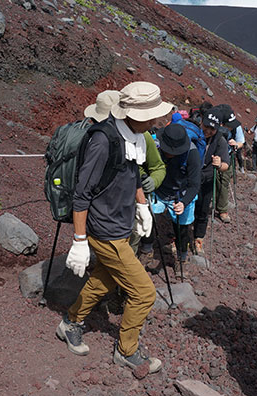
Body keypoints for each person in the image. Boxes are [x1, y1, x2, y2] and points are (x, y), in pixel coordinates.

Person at [57, 81, 173, 374]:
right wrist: (80, 240)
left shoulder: (135, 135)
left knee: (104, 281)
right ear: (132, 113)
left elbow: (133, 174)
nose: (156, 120)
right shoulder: (103, 140)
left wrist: (142, 205)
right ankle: (127, 351)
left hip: (120, 225)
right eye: (152, 114)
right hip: (104, 231)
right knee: (144, 292)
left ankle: (70, 322)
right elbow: (82, 193)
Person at [85, 90, 167, 256]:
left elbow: (158, 167)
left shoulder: (143, 137)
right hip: (100, 209)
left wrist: (153, 181)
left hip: (130, 205)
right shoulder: (95, 136)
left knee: (128, 249)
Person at [151, 123, 201, 263]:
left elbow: (194, 184)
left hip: (181, 194)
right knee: (147, 221)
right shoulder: (155, 146)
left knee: (182, 228)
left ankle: (181, 257)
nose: (169, 154)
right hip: (159, 190)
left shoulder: (192, 154)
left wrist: (183, 203)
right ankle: (147, 249)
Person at [192, 110, 230, 254]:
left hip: (206, 179)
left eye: (212, 128)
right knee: (186, 208)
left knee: (202, 210)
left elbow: (226, 165)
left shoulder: (220, 141)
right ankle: (179, 239)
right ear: (201, 121)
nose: (207, 130)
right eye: (206, 126)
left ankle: (198, 238)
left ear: (218, 127)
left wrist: (219, 164)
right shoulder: (193, 134)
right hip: (190, 177)